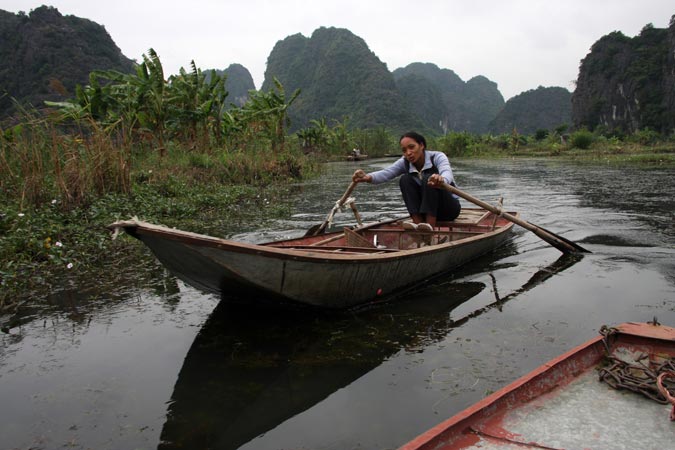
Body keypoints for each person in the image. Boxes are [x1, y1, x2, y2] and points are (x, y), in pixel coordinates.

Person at [352, 131, 461, 229]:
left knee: (429, 178)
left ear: (421, 145)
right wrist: (367, 177)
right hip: (424, 210)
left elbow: (447, 172)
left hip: (448, 210)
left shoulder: (437, 157)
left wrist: (441, 179)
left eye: (411, 147)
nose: (408, 153)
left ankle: (429, 232)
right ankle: (418, 226)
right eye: (404, 150)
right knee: (405, 179)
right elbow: (387, 173)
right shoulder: (405, 162)